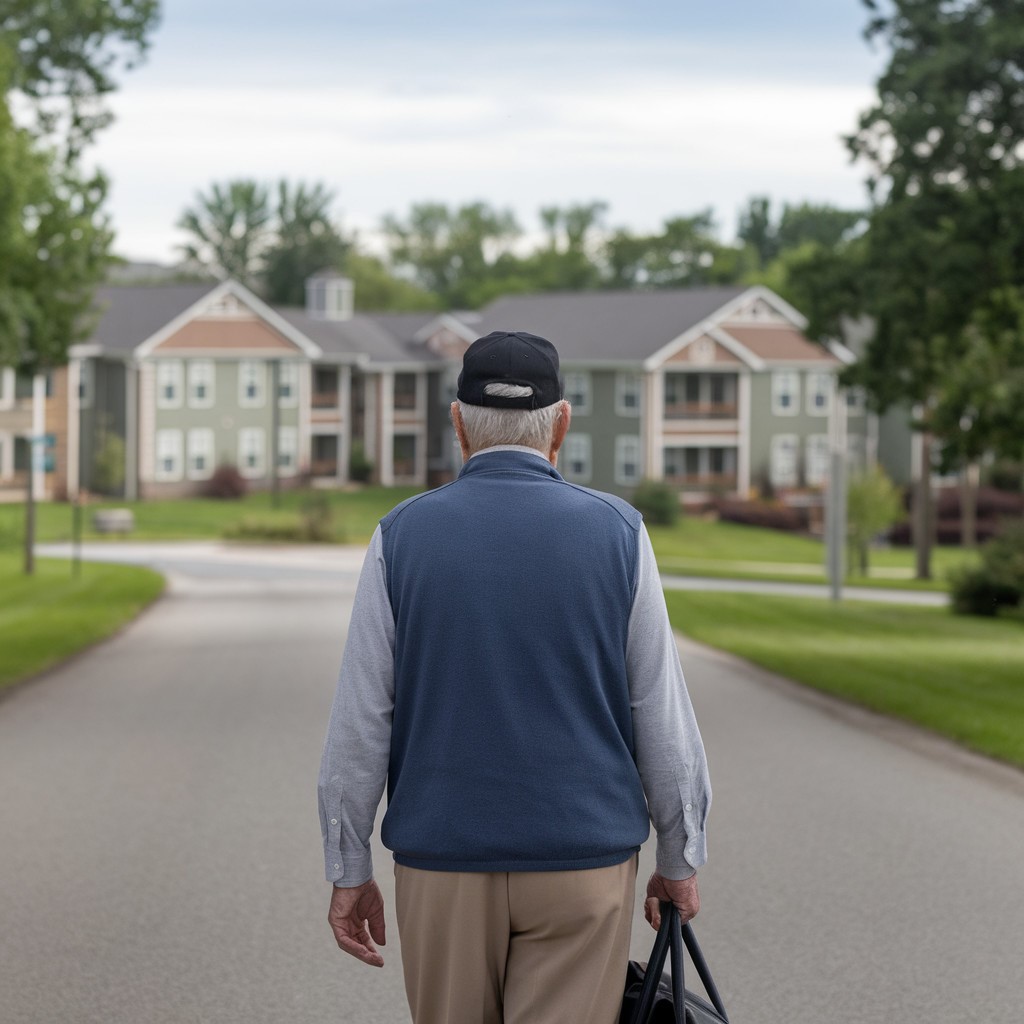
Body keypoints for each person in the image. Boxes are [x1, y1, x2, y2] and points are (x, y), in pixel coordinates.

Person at [319, 330, 711, 1024]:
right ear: (561, 423)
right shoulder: (620, 534)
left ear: (457, 425)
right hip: (582, 864)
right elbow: (660, 710)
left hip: (443, 863)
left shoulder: (400, 536)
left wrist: (350, 868)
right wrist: (679, 853)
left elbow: (361, 721)